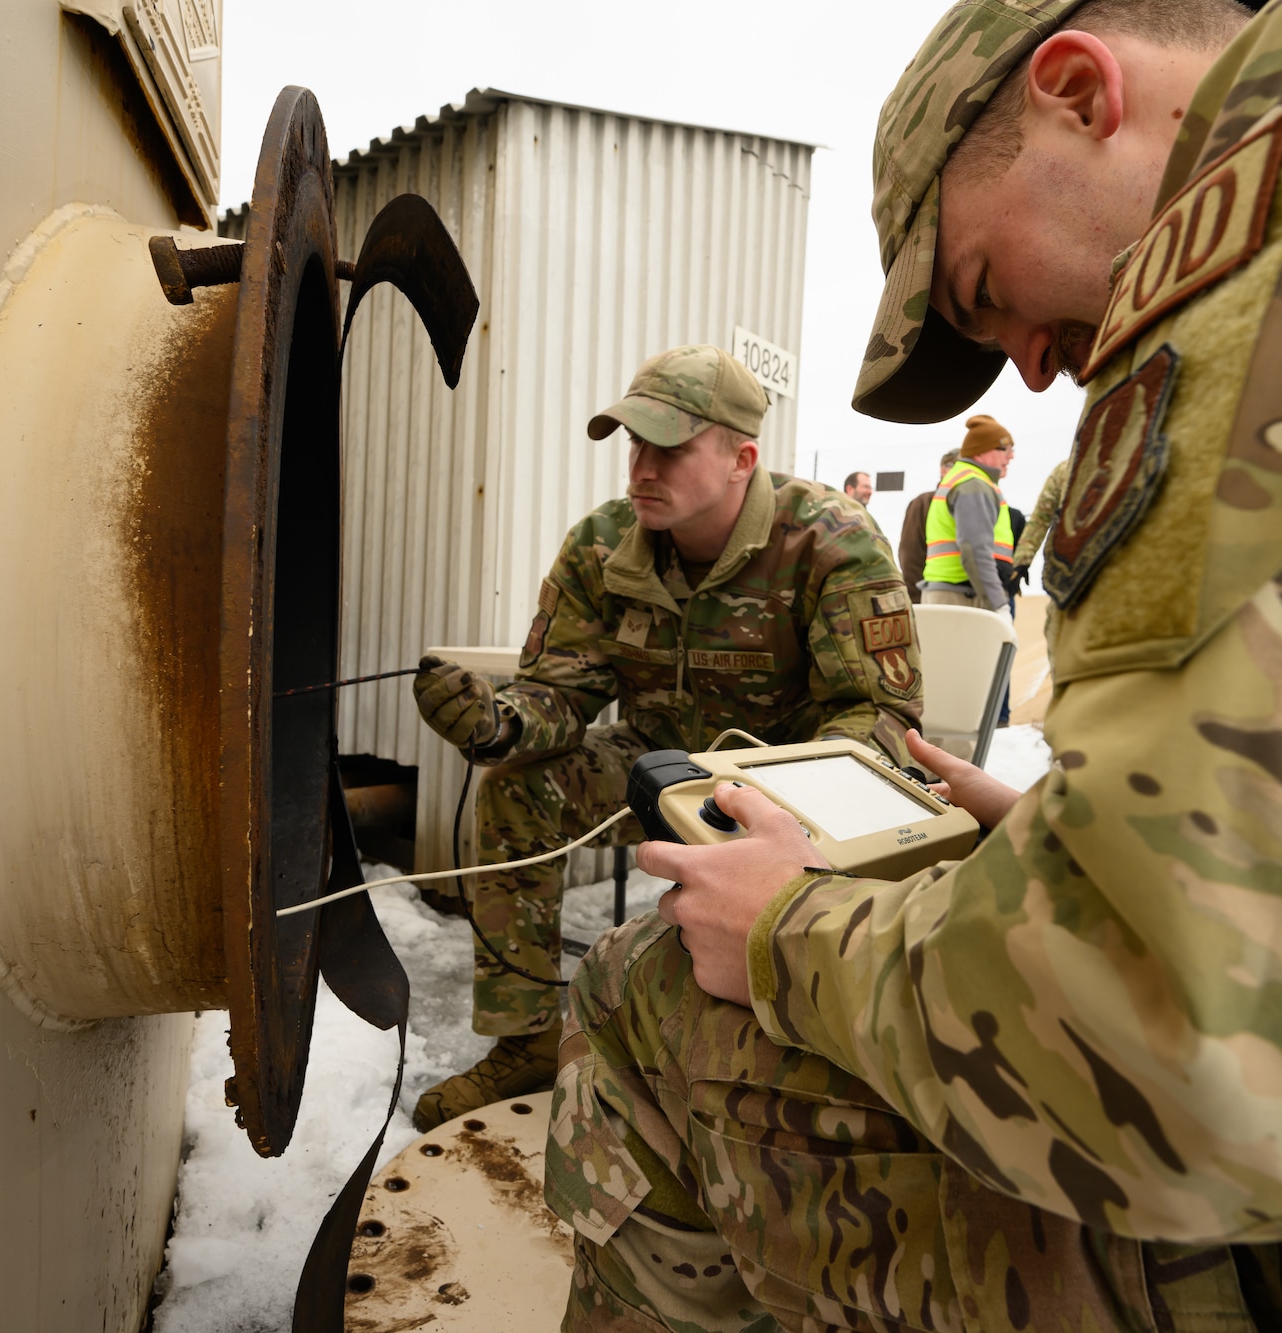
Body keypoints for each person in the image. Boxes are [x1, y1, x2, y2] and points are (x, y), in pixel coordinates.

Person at [544, 0, 1282, 1330]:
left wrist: (792, 934)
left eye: (985, 291)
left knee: (648, 985)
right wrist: (1056, 831)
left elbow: (1222, 1064)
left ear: (1081, 94)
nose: (1033, 372)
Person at [409, 344, 924, 1130]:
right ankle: (525, 1043)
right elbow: (562, 692)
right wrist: (498, 723)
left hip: (788, 783)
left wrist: (765, 805)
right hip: (652, 763)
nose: (642, 468)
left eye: (670, 448)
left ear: (740, 458)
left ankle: (791, 1060)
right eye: (634, 444)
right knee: (517, 788)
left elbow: (877, 717)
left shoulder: (830, 539)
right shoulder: (603, 545)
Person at [920, 414, 1016, 612]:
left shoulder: (965, 479)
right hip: (963, 597)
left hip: (955, 595)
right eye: (1005, 449)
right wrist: (998, 605)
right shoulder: (973, 485)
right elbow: (975, 551)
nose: (1011, 456)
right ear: (983, 450)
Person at [895, 448, 957, 604]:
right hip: (931, 597)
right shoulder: (923, 503)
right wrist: (919, 599)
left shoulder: (971, 503)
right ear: (943, 470)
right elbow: (910, 554)